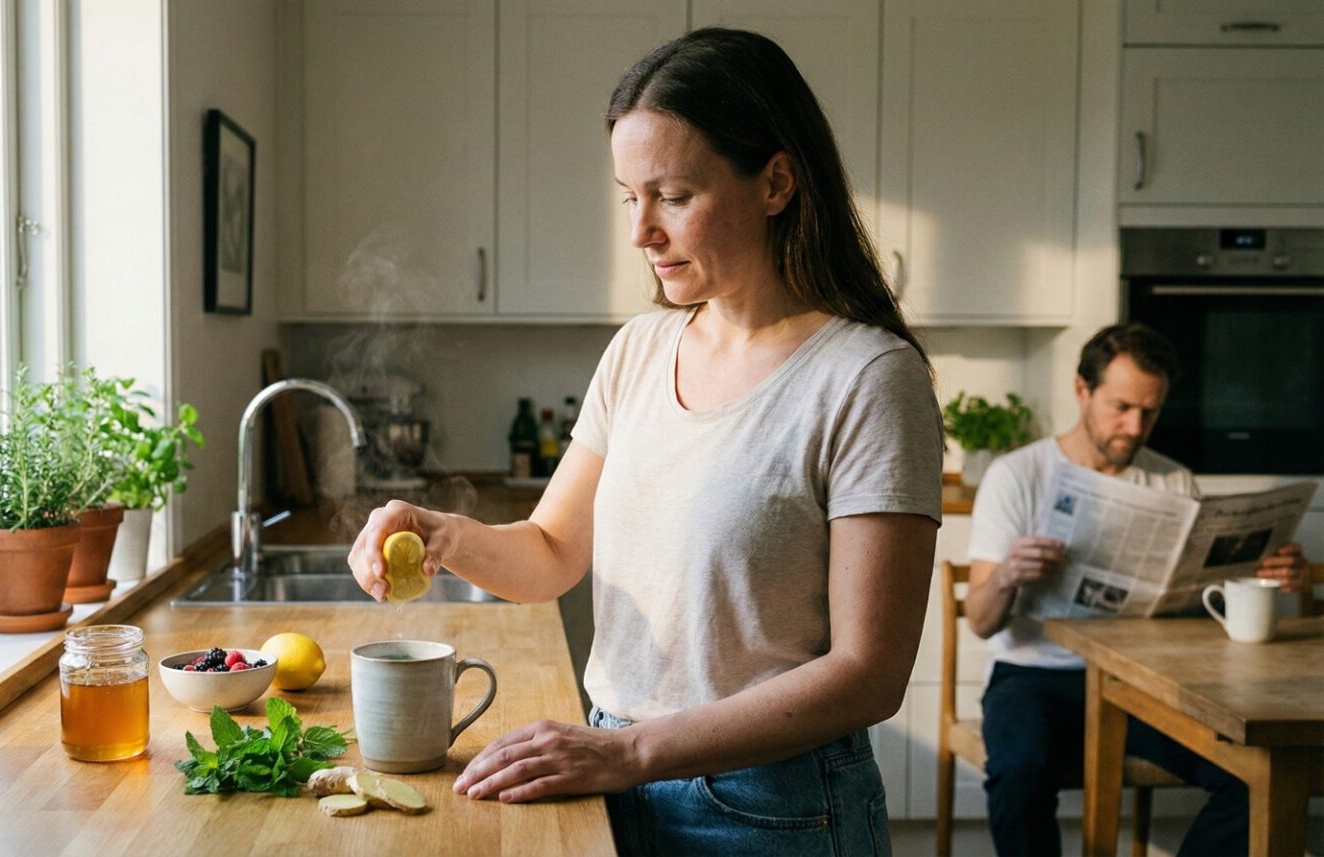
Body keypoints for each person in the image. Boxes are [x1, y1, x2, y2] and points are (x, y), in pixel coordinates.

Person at [347, 27, 944, 856]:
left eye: (672, 194)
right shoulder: (640, 349)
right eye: (630, 197)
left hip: (773, 808)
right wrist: (441, 533)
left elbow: (869, 673)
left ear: (776, 181)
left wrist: (629, 752)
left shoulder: (868, 378)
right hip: (615, 777)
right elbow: (553, 549)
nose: (641, 232)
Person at [965, 322, 1313, 857]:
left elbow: (1203, 611)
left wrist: (1268, 577)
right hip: (1035, 677)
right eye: (1121, 407)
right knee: (1018, 771)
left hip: (1145, 685)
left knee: (1255, 779)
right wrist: (1008, 575)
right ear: (1082, 390)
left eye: (1150, 412)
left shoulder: (1173, 482)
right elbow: (981, 621)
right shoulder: (1018, 475)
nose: (1135, 426)